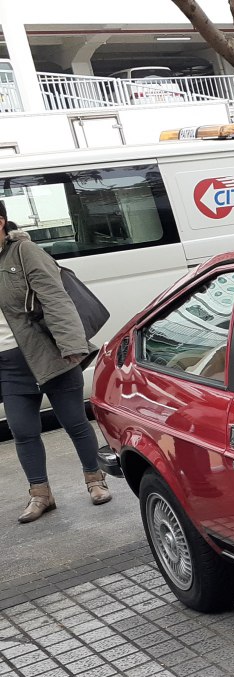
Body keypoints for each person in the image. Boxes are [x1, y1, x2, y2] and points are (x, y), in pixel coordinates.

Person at [0, 200, 111, 523]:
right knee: (22, 429)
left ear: (2, 222)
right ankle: (41, 495)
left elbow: (56, 298)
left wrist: (72, 345)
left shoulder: (24, 253)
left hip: (50, 355)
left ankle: (95, 479)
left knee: (74, 421)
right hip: (9, 365)